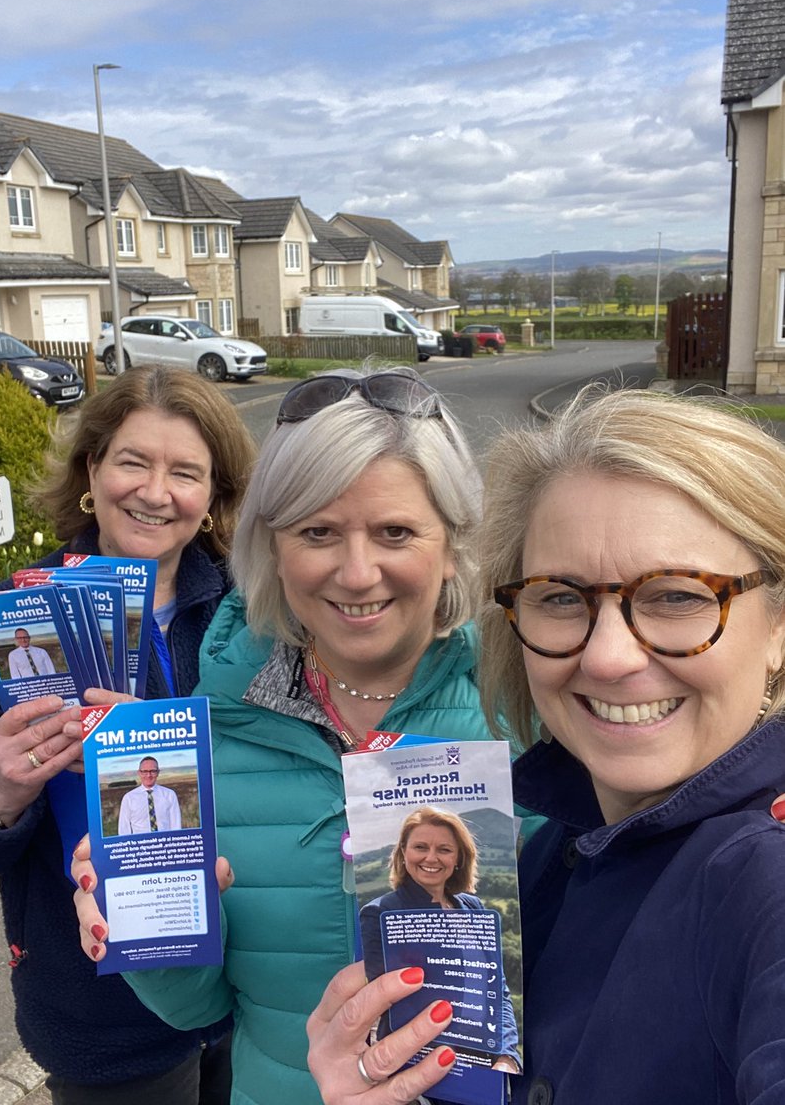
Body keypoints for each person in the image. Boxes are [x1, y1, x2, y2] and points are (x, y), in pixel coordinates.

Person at [305, 387, 785, 1105]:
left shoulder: (765, 880)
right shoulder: (548, 856)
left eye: (680, 596)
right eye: (562, 598)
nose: (609, 657)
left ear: (777, 625)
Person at [71, 367, 499, 1105]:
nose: (357, 571)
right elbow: (196, 1008)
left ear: (454, 543)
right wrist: (145, 924)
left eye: (395, 531)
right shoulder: (205, 738)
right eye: (318, 532)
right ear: (271, 546)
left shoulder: (522, 713)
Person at [0, 365, 256, 1105]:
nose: (155, 492)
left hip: (251, 998)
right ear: (92, 469)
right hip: (106, 1025)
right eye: (132, 461)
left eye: (185, 472)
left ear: (213, 498)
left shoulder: (251, 618)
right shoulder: (11, 625)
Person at [358, 807, 519, 1072]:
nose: (431, 858)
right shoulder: (380, 914)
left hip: (483, 1058)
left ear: (458, 858)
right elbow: (375, 1002)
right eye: (420, 847)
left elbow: (496, 987)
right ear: (403, 853)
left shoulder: (473, 907)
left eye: (444, 849)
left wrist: (506, 1055)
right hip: (417, 1064)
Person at [117, 756, 181, 835]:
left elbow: (176, 826)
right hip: (140, 845)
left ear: (158, 772)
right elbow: (124, 829)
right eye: (145, 771)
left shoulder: (170, 795)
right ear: (139, 773)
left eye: (153, 771)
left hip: (165, 844)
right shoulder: (129, 798)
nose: (148, 775)